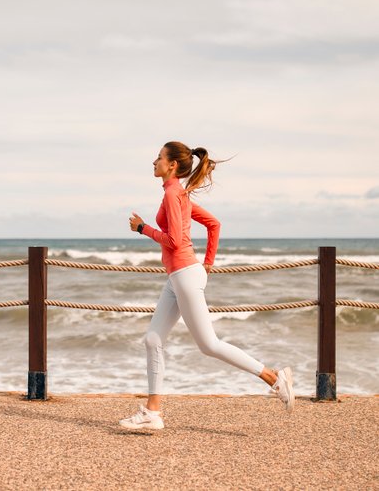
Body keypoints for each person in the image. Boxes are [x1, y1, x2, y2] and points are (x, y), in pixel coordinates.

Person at [119, 141, 295, 430]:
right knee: (153, 339)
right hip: (179, 276)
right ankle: (152, 413)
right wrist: (208, 263)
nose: (154, 162)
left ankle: (274, 378)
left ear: (172, 164)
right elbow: (214, 224)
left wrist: (143, 228)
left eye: (159, 157)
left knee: (209, 344)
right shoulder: (178, 194)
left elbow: (175, 241)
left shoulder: (175, 193)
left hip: (185, 275)